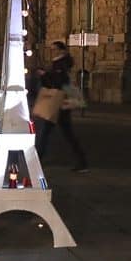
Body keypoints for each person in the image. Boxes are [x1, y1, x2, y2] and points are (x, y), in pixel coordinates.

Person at [34, 41, 88, 172]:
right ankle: (82, 162)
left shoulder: (61, 64)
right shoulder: (59, 63)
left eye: (55, 49)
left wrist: (44, 75)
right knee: (64, 133)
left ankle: (37, 161)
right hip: (60, 103)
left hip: (59, 102)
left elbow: (58, 82)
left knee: (47, 133)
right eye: (51, 49)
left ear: (62, 50)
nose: (53, 52)